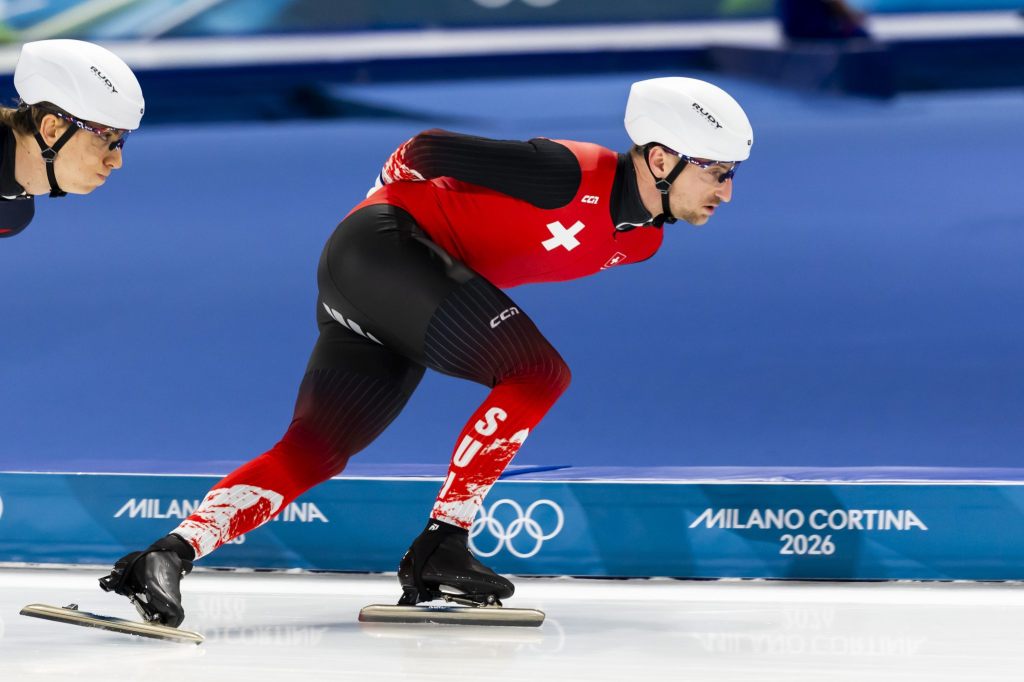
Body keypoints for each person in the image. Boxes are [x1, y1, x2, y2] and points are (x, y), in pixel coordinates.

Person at [100, 76, 753, 627]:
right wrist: (380, 210)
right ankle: (444, 541)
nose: (726, 193)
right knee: (537, 372)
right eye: (717, 173)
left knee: (317, 448)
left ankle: (166, 556)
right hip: (385, 249)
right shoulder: (567, 172)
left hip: (399, 286)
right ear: (661, 159)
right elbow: (425, 148)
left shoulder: (641, 242)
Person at [0, 39, 143, 239]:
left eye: (121, 140)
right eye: (104, 136)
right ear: (52, 130)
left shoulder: (14, 216)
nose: (117, 162)